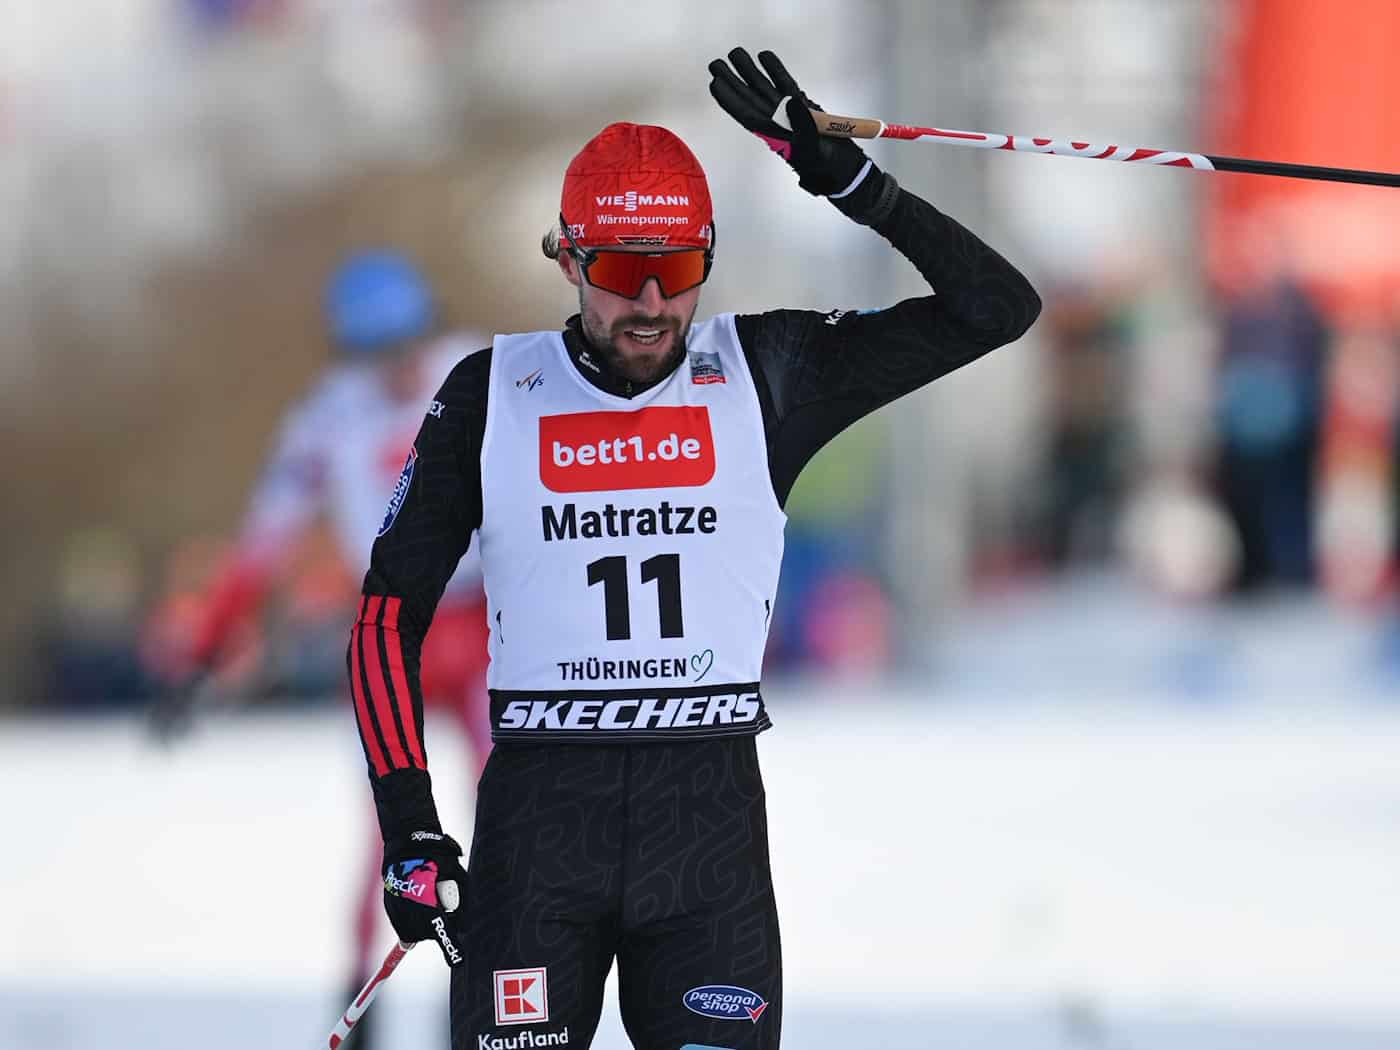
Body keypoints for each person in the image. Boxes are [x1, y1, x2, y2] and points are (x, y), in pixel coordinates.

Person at [356, 49, 1040, 1050]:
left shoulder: (769, 370)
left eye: (673, 272)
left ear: (704, 260)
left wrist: (854, 187)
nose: (648, 305)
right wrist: (408, 824)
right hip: (539, 833)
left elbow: (997, 308)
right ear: (566, 258)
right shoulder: (491, 392)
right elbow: (382, 619)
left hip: (704, 834)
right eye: (620, 273)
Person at [148, 250, 493, 1049]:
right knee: (390, 831)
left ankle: (485, 993)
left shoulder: (480, 371)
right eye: (378, 353)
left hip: (485, 627)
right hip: (391, 636)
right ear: (352, 352)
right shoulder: (328, 414)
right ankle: (361, 1006)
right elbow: (260, 546)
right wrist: (204, 653)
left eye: (408, 343)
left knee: (503, 812)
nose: (399, 368)